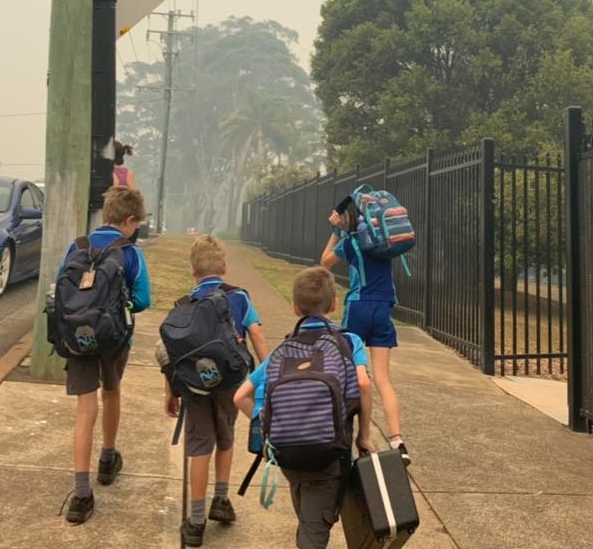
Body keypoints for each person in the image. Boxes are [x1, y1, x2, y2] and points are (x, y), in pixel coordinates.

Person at [234, 266, 375, 549]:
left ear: (295, 308)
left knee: (308, 518)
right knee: (313, 533)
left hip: (288, 455)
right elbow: (363, 385)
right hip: (328, 455)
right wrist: (364, 436)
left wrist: (269, 426)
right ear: (334, 304)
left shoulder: (284, 349)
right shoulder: (349, 341)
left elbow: (240, 396)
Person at [164, 235, 269, 547]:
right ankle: (221, 501)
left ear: (193, 271)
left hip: (194, 386)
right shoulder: (239, 298)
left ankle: (195, 522)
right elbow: (257, 335)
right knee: (226, 438)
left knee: (199, 447)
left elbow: (170, 351)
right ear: (224, 268)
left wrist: (170, 390)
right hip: (231, 383)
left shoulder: (184, 305)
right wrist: (270, 374)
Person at [61, 186, 151, 524]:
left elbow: (60, 287)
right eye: (137, 224)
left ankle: (81, 494)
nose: (136, 229)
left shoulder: (77, 245)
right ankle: (107, 459)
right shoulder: (130, 253)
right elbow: (142, 300)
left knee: (86, 407)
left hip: (77, 336)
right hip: (114, 339)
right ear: (128, 221)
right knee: (111, 392)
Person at [320, 205, 410, 464]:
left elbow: (325, 262)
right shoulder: (383, 241)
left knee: (353, 375)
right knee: (383, 379)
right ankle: (397, 440)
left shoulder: (350, 243)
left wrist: (336, 232)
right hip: (383, 308)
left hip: (358, 307)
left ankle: (357, 435)